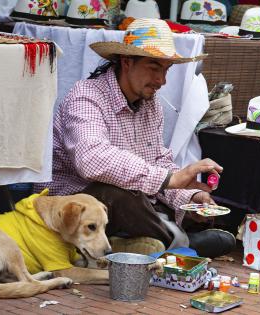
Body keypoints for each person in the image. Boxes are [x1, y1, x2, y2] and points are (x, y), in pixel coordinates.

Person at [34, 18, 235, 258]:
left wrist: (189, 197)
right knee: (120, 194)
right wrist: (171, 178)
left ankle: (135, 242)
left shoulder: (151, 106)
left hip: (128, 207)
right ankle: (181, 244)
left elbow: (158, 163)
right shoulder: (86, 96)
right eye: (153, 68)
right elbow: (91, 159)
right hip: (74, 207)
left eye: (165, 70)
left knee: (149, 197)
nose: (161, 81)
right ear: (127, 62)